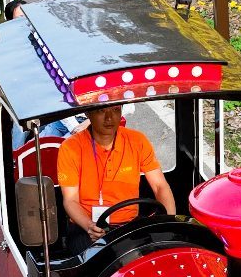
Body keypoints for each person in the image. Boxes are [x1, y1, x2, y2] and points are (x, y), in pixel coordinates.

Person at [57, 103, 174, 243]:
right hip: (85, 227)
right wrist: (90, 226)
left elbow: (160, 186)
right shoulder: (70, 148)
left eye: (116, 110)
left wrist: (169, 224)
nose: (109, 118)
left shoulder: (138, 141)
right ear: (87, 114)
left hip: (130, 225)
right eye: (101, 111)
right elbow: (71, 200)